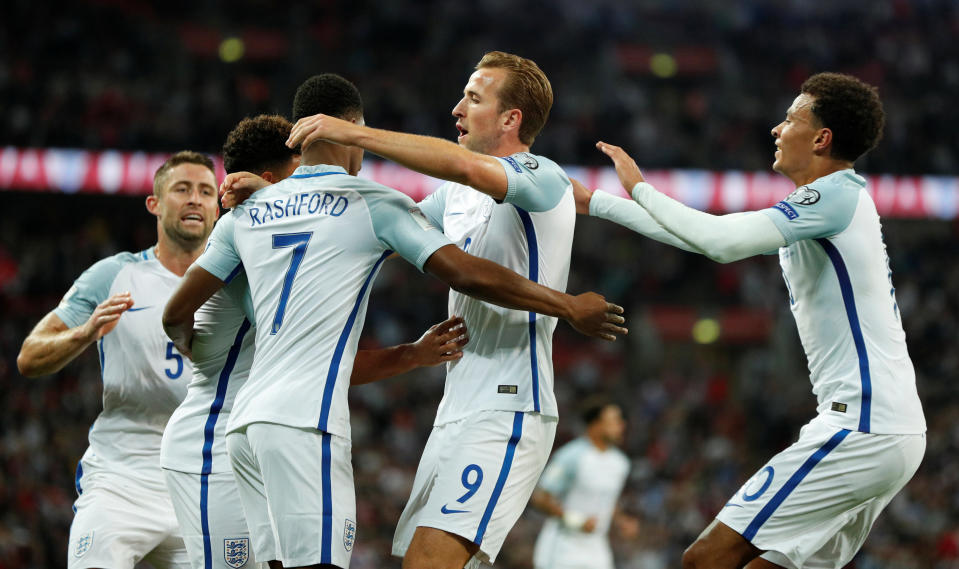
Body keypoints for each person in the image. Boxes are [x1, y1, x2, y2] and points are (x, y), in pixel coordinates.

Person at [163, 73, 626, 569]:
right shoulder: (372, 204)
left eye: (472, 98)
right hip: (307, 421)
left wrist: (193, 343)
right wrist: (567, 304)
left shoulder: (247, 210)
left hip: (245, 426)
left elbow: (175, 315)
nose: (458, 109)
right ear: (351, 128)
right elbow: (466, 272)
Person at [583, 72, 925, 569]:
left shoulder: (832, 197)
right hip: (889, 429)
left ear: (821, 138)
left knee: (705, 560)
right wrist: (597, 202)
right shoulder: (833, 201)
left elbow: (718, 243)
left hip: (864, 426)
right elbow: (699, 237)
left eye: (791, 119)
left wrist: (638, 187)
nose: (777, 129)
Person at [283, 51, 589, 569]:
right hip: (456, 412)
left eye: (473, 98)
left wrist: (356, 134)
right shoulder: (453, 199)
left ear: (511, 119)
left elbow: (466, 165)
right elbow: (365, 225)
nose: (457, 109)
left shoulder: (543, 177)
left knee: (430, 562)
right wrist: (270, 196)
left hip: (510, 406)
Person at [159, 114, 473, 569]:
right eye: (297, 171)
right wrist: (189, 344)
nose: (309, 185)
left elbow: (323, 358)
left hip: (250, 430)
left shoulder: (259, 236)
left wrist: (411, 354)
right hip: (209, 440)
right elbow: (175, 315)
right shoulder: (254, 240)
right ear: (271, 181)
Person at [17, 151, 220, 569]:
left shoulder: (238, 284)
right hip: (122, 478)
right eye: (182, 189)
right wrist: (85, 332)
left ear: (219, 206)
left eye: (205, 191)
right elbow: (29, 356)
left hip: (205, 482)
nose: (195, 200)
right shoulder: (115, 275)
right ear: (155, 204)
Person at [529, 398, 636, 569]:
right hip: (562, 547)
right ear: (595, 425)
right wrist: (576, 521)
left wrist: (621, 520)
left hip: (597, 549)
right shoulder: (570, 456)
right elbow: (540, 498)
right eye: (614, 421)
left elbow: (608, 499)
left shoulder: (620, 463)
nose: (621, 425)